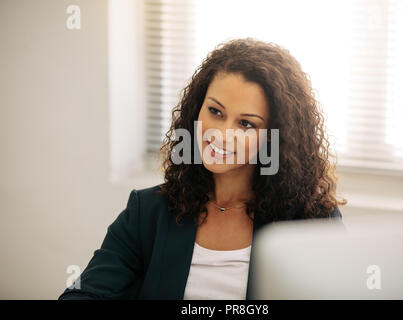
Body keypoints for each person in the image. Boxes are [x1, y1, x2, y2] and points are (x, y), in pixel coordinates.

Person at [58, 38, 347, 300]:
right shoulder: (147, 213)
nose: (221, 134)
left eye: (246, 124)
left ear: (276, 137)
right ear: (197, 109)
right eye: (215, 112)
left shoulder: (313, 222)